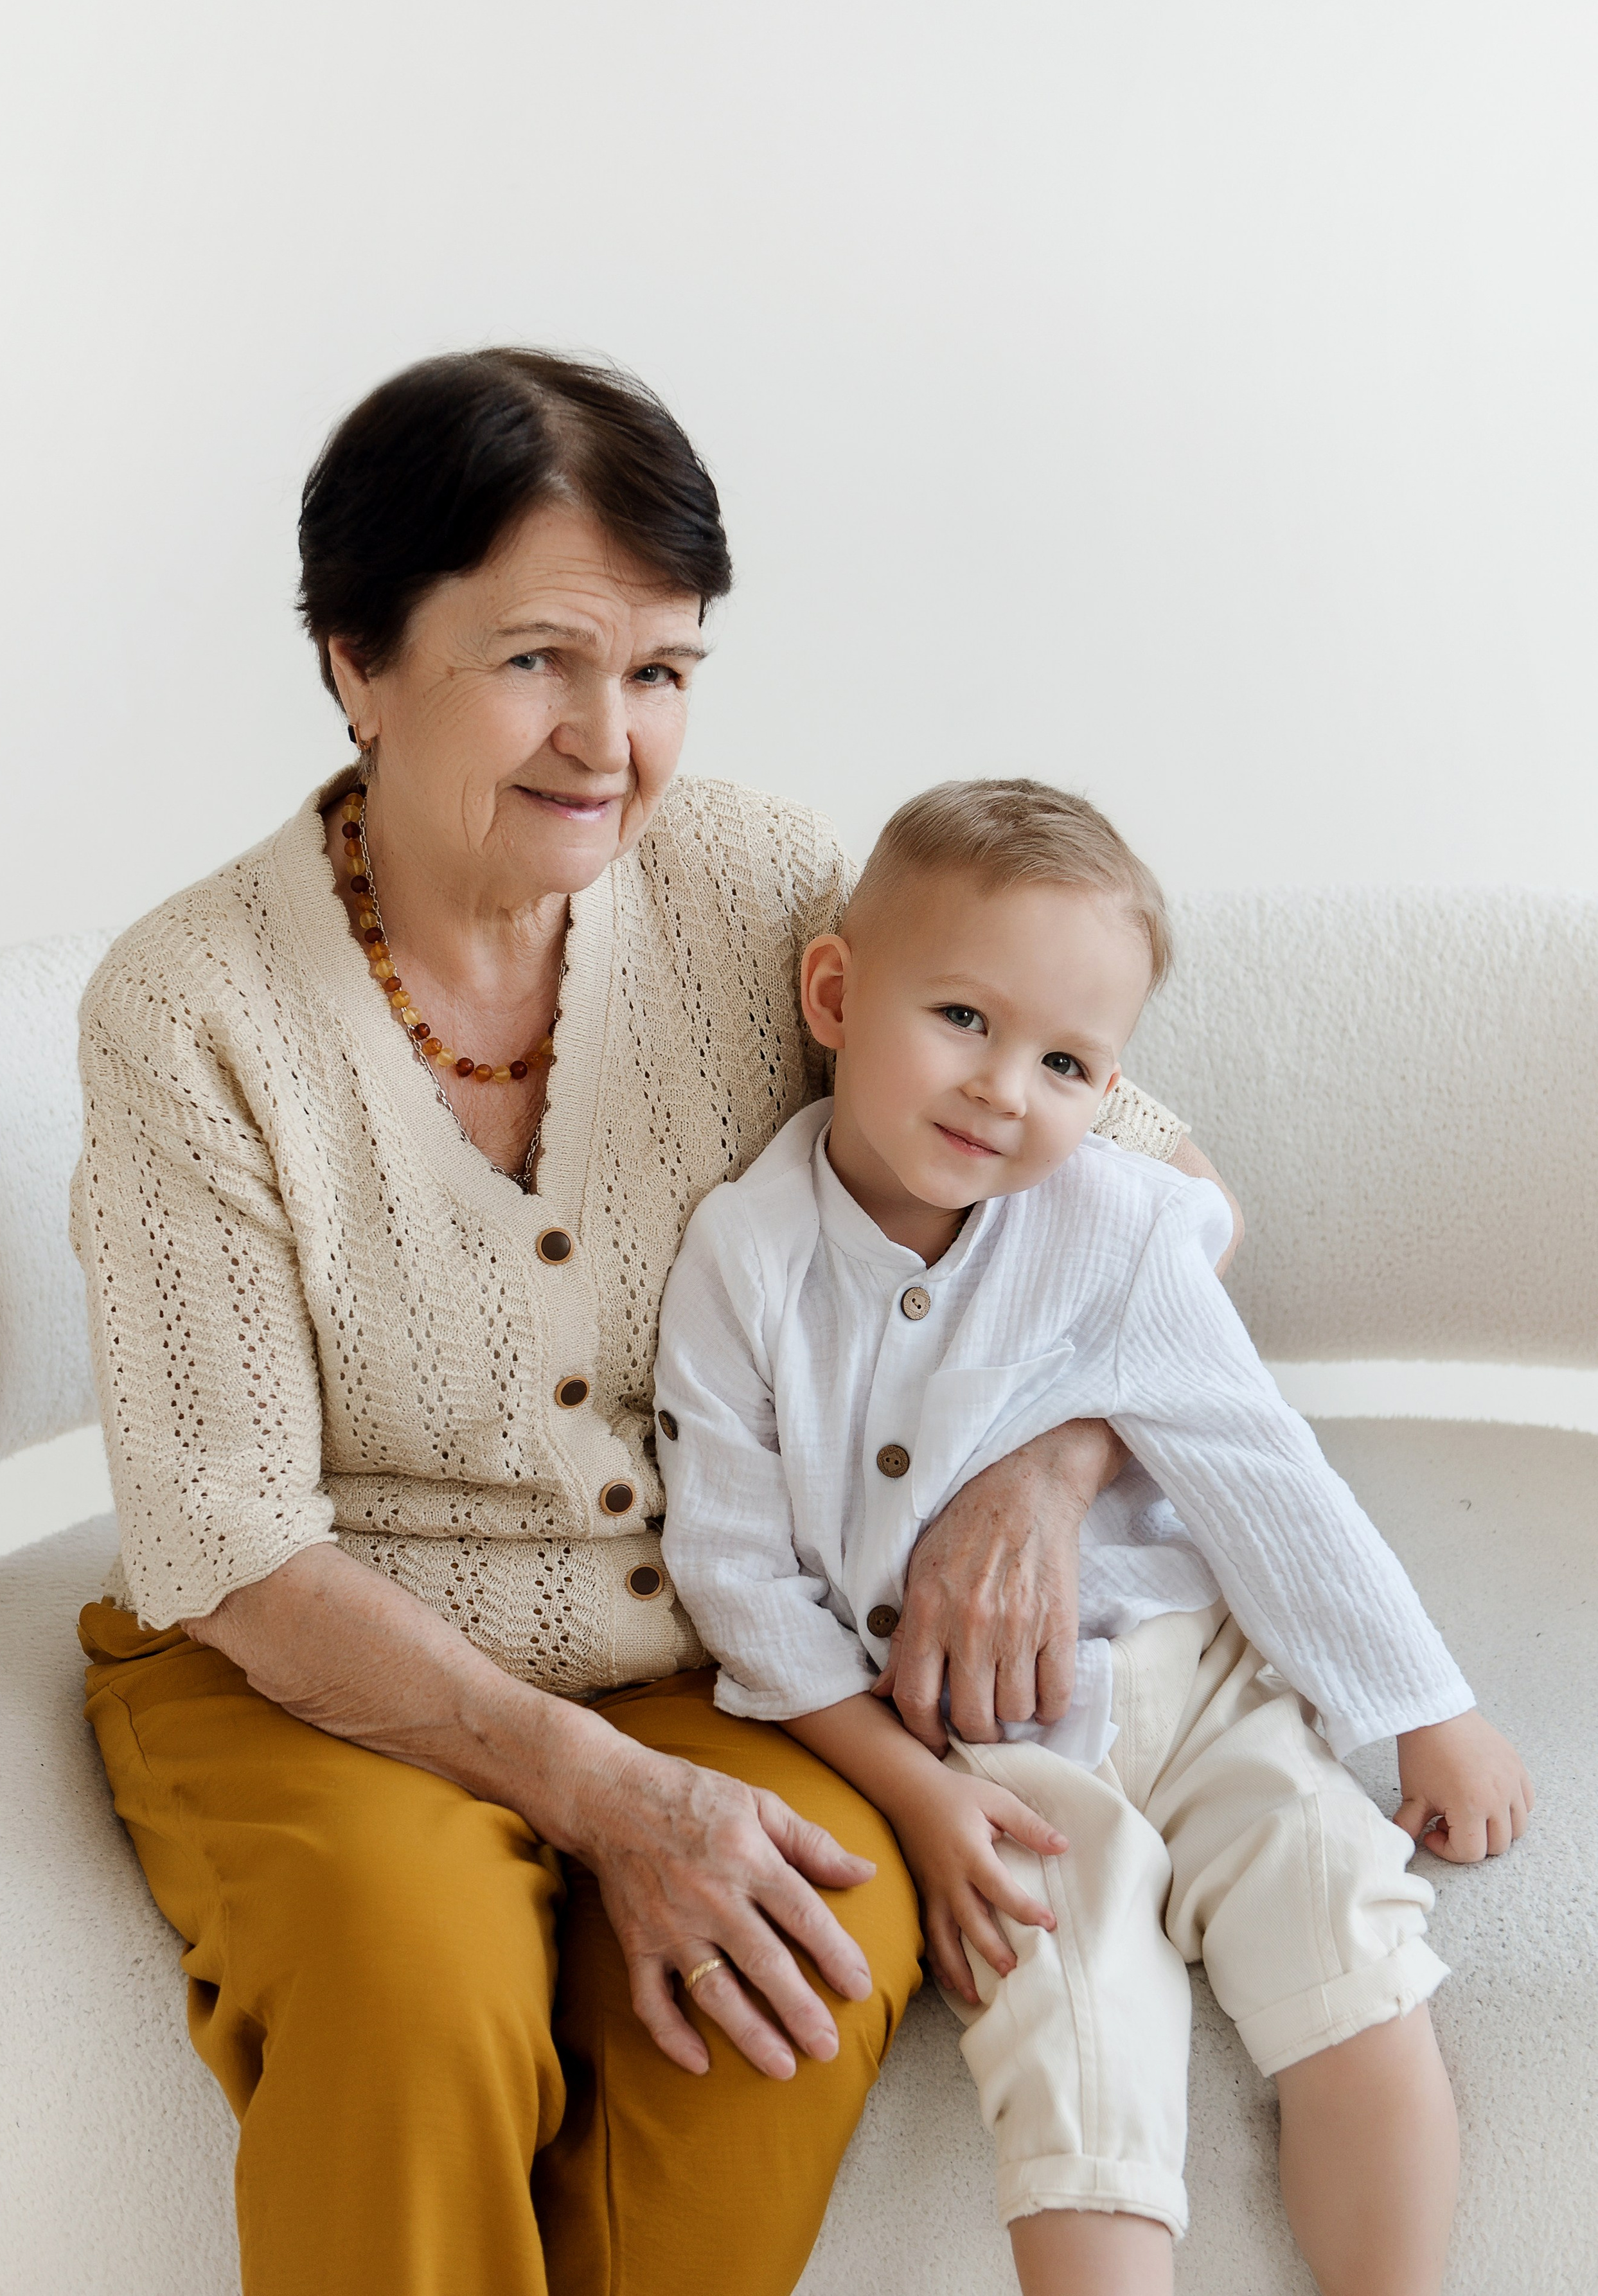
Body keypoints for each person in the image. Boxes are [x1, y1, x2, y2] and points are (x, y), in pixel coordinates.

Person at [70, 350, 1234, 2296]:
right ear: (359, 661)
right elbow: (231, 1542)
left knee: (800, 1960)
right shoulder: (192, 1007)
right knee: (413, 1986)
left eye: (664, 670)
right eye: (538, 659)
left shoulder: (761, 888)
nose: (608, 742)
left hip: (731, 1648)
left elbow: (1159, 1184)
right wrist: (600, 1794)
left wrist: (1041, 1471)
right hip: (314, 1669)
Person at [656, 777, 1534, 2296]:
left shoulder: (1117, 1228)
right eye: (961, 1019)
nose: (1004, 1089)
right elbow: (735, 1575)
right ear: (834, 995)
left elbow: (1260, 1474)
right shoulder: (745, 1261)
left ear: (1109, 1085)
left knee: (1348, 1949)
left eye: (1064, 1062)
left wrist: (1423, 1709)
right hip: (985, 1753)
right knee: (1075, 2056)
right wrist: (914, 1794)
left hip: (1196, 1686)